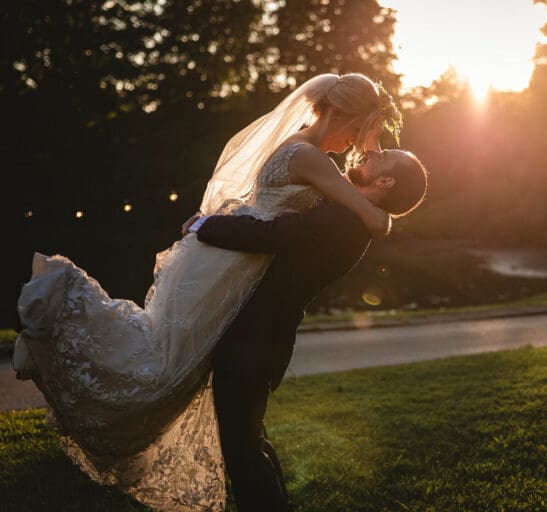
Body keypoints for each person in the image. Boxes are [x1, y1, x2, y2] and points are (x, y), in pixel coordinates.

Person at [13, 73, 402, 511]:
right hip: (236, 267)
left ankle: (62, 327)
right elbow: (368, 216)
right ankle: (61, 318)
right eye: (358, 129)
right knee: (169, 368)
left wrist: (203, 225)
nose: (356, 143)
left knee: (167, 354)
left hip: (227, 261)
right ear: (337, 113)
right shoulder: (314, 160)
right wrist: (386, 215)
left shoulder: (296, 144)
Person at [184, 148, 428, 511]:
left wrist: (202, 225)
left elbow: (270, 235)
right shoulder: (349, 215)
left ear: (385, 181)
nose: (371, 152)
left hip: (256, 340)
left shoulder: (345, 222)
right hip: (258, 338)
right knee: (248, 441)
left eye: (382, 156)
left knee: (242, 447)